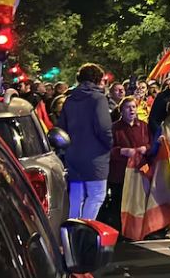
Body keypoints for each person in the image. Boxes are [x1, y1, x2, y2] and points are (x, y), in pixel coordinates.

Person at [58, 63, 113, 220]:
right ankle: (85, 233)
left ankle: (70, 234)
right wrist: (108, 145)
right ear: (97, 79)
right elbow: (103, 128)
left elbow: (61, 128)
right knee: (96, 196)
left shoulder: (69, 100)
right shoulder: (98, 99)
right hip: (95, 157)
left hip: (73, 156)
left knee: (76, 197)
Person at [106, 97, 150, 229]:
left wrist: (146, 148)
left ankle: (138, 229)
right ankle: (120, 230)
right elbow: (107, 150)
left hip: (139, 171)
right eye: (127, 107)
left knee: (139, 202)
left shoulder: (143, 126)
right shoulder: (114, 128)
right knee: (119, 203)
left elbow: (150, 144)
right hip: (120, 174)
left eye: (133, 107)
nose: (131, 110)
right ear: (121, 111)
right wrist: (121, 151)